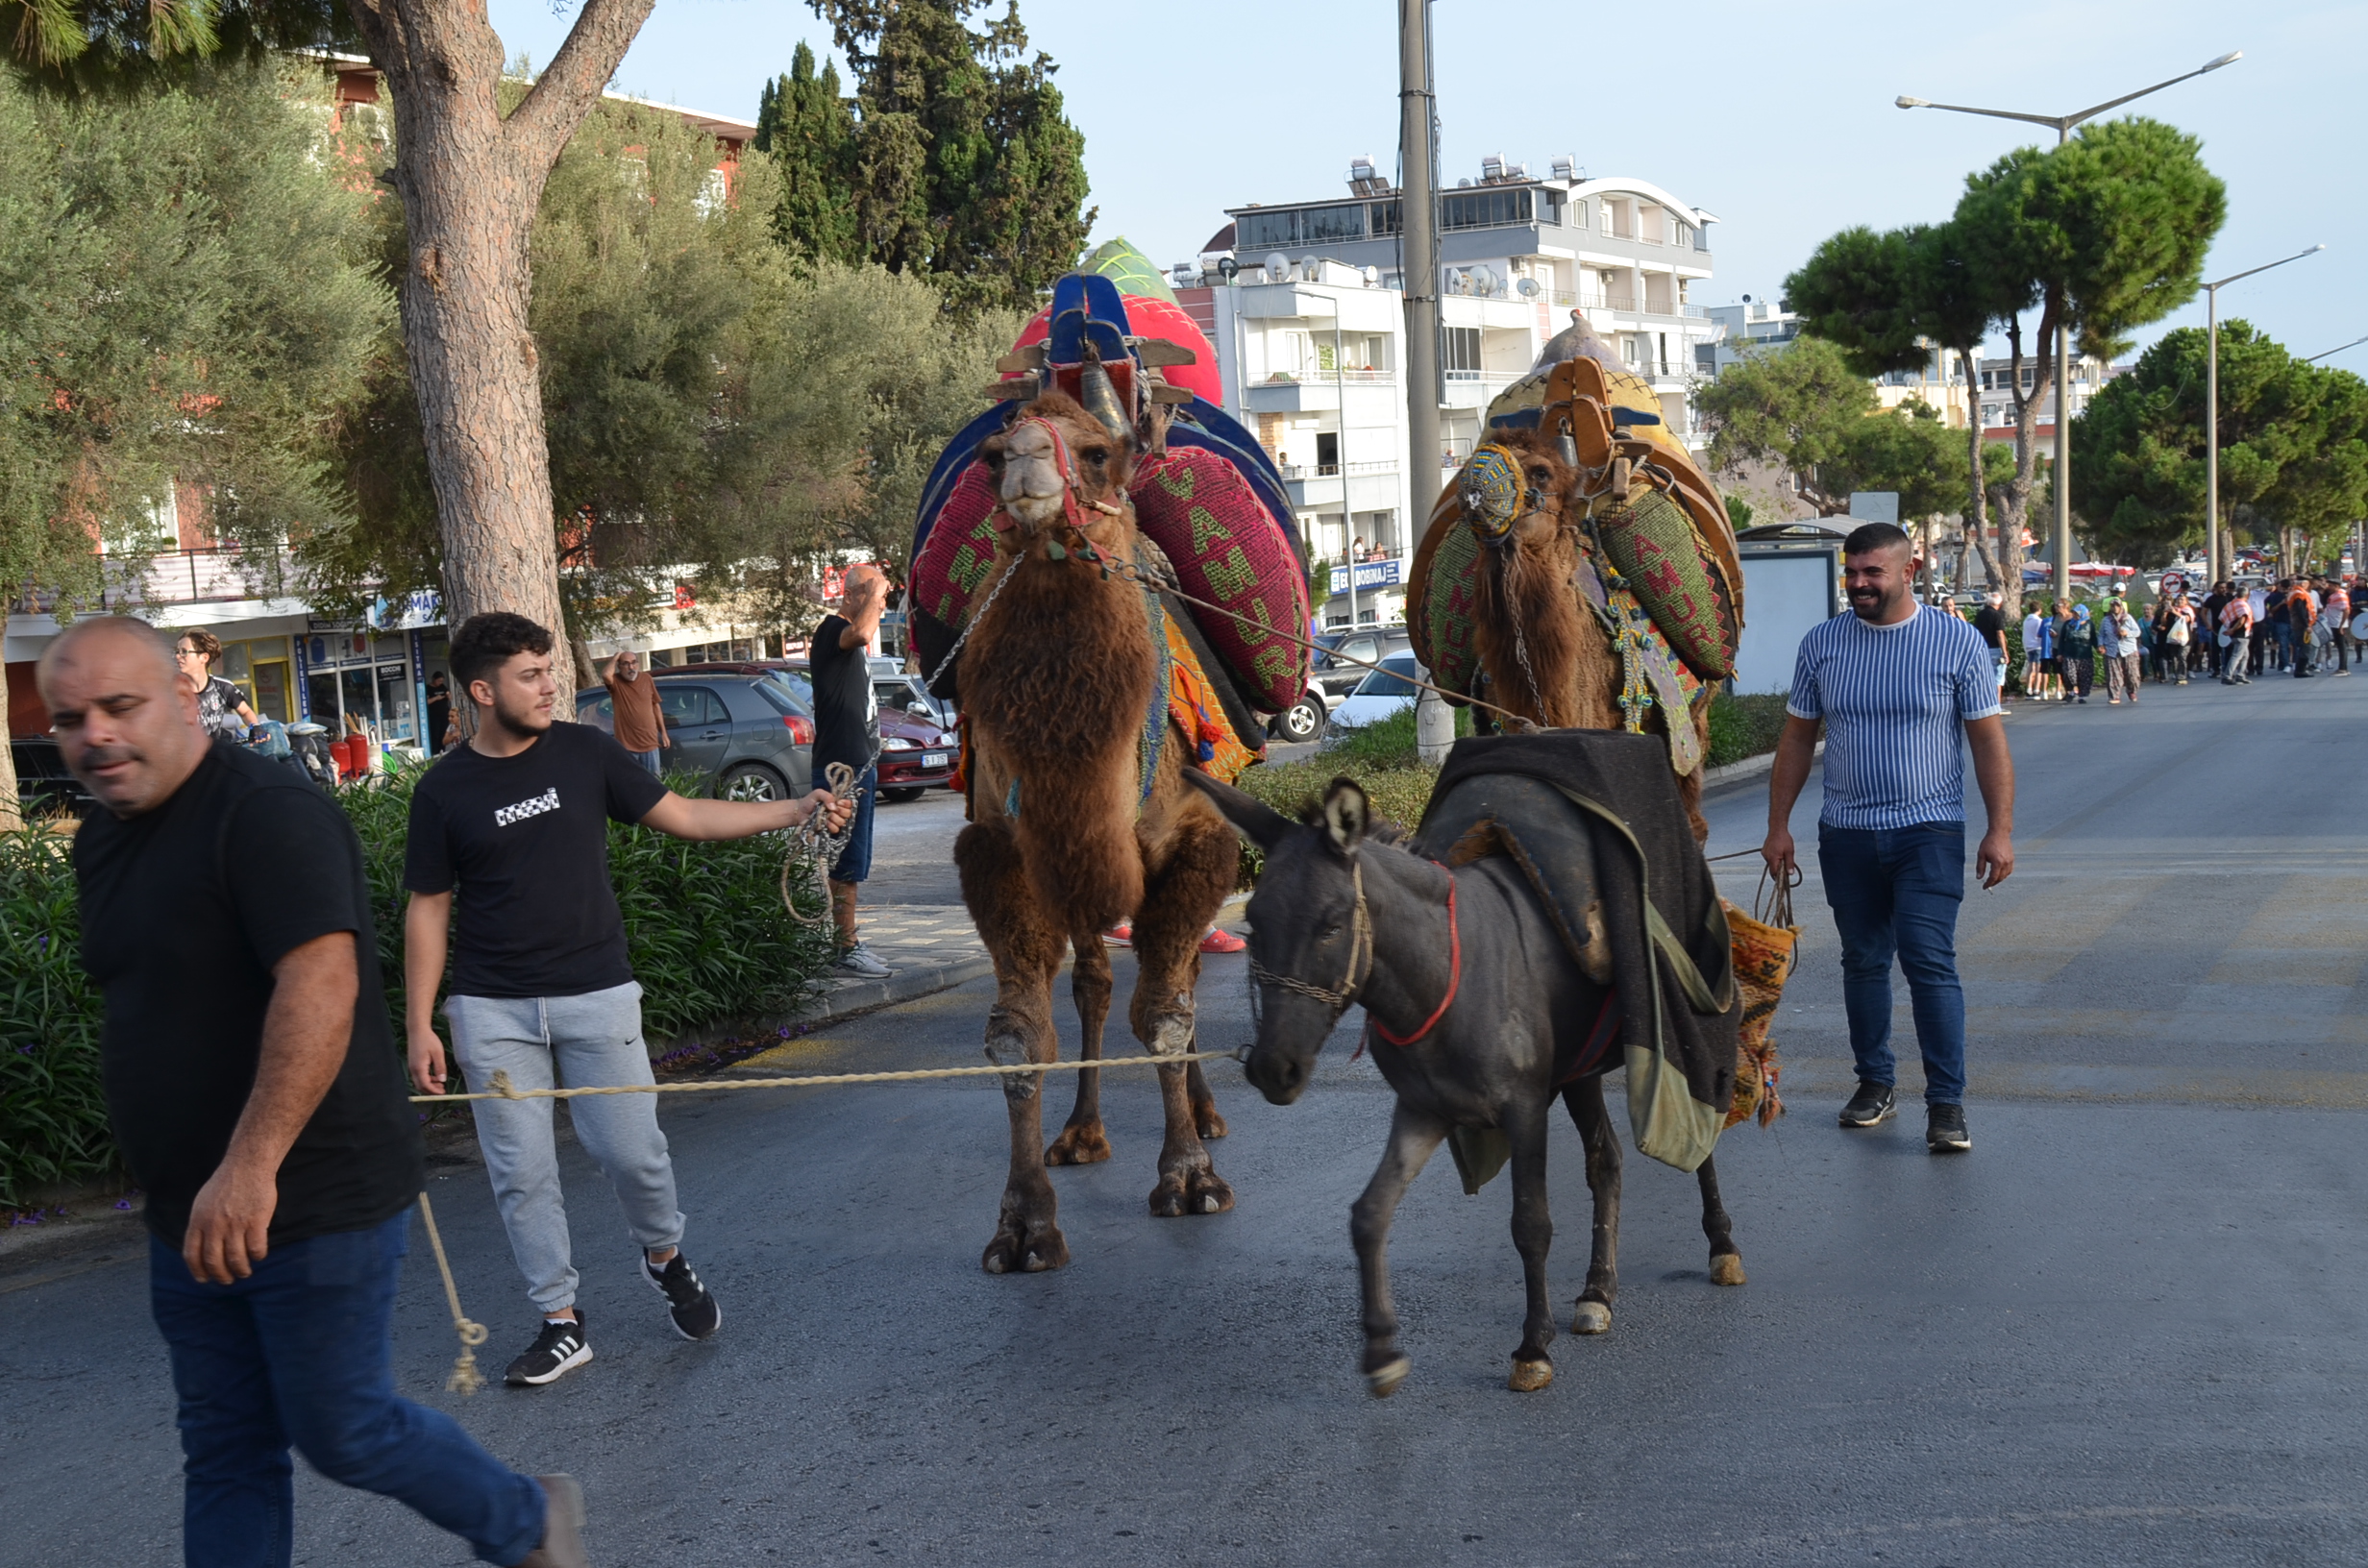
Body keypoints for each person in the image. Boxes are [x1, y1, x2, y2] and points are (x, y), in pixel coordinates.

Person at [38, 617, 590, 1568]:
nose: (94, 733)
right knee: (225, 1451)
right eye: (69, 717)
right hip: (188, 1212)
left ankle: (525, 1519)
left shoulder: (263, 813)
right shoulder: (104, 837)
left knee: (344, 1430)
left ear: (180, 694)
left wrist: (250, 1166)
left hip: (311, 1193)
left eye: (118, 706)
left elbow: (322, 984)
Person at [403, 612, 850, 1389]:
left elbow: (685, 817)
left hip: (596, 993)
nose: (550, 687)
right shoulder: (443, 791)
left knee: (633, 1155)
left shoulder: (584, 752)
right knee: (522, 1174)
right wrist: (420, 1024)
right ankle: (561, 1322)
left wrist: (794, 809)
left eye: (550, 670)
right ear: (482, 691)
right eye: (531, 676)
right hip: (492, 1010)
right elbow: (428, 906)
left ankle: (665, 1256)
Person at [1762, 523, 2013, 1154]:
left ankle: (1946, 1105)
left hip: (1928, 831)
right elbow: (1797, 738)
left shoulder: (1957, 642)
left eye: (1872, 572)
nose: (1858, 583)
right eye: (1852, 572)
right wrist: (1777, 826)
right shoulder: (1822, 644)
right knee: (1864, 960)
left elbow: (1988, 740)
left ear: (1909, 570)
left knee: (1929, 962)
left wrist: (1999, 830)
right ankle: (1875, 1082)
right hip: (1845, 835)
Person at [811, 564, 893, 978]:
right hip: (840, 767)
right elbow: (862, 631)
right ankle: (845, 949)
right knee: (845, 862)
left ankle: (845, 945)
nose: (882, 603)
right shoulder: (832, 630)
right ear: (854, 594)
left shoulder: (853, 647)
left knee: (854, 861)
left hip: (860, 763)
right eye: (877, 595)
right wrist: (876, 587)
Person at [173, 627, 260, 741]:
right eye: (177, 651)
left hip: (216, 753)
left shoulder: (223, 687)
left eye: (184, 652)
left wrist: (255, 727)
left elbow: (245, 712)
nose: (178, 656)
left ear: (204, 657)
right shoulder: (171, 690)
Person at [601, 649, 669, 774]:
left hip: (650, 743)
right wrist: (615, 657)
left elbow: (656, 706)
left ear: (638, 664)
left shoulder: (647, 679)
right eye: (625, 664)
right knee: (631, 784)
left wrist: (663, 733)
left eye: (634, 663)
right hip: (627, 746)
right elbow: (605, 675)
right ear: (619, 667)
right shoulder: (616, 682)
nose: (631, 667)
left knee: (653, 784)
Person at [2100, 597, 2144, 705]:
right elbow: (2101, 635)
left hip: (2128, 649)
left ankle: (2132, 691)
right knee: (2113, 675)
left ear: (2121, 607)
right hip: (2112, 650)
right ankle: (2114, 695)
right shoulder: (2106, 620)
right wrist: (2100, 645)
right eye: (2113, 606)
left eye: (2117, 606)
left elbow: (2137, 632)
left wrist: (2127, 633)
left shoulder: (2128, 618)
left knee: (2132, 674)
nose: (2115, 608)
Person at [1971, 592, 2010, 705]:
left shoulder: (1980, 614)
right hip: (1995, 649)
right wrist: (2004, 652)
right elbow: (2000, 634)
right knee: (1998, 678)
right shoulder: (1996, 615)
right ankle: (1996, 705)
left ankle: (1985, 704)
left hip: (1982, 649)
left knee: (1985, 678)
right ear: (2000, 604)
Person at [2059, 603, 2097, 703]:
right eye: (2074, 613)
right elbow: (2062, 639)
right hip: (2070, 653)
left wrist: (2099, 648)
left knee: (2085, 676)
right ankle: (2071, 691)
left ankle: (2082, 696)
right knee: (2068, 674)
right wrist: (2060, 653)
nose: (2075, 615)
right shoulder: (2068, 624)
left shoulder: (2089, 624)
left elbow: (2093, 638)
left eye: (2077, 614)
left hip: (2085, 654)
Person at [2218, 592, 2255, 685]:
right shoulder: (2242, 605)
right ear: (2247, 595)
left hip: (2235, 634)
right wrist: (2232, 629)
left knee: (2245, 655)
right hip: (2241, 634)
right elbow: (2242, 620)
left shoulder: (2231, 604)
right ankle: (2227, 676)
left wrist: (2230, 630)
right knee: (2237, 656)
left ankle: (2240, 676)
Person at [2323, 576, 2353, 674]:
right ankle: (2342, 667)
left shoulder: (2341, 595)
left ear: (2336, 586)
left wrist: (2341, 626)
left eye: (2330, 586)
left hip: (2338, 624)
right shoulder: (2334, 595)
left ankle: (2343, 668)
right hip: (2333, 623)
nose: (2328, 587)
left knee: (2341, 646)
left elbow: (2346, 610)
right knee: (2340, 645)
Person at [2020, 604, 2047, 698]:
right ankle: (2036, 690)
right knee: (2038, 668)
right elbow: (2040, 634)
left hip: (2028, 646)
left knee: (2030, 667)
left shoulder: (2026, 621)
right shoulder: (2039, 621)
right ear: (2039, 610)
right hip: (2037, 646)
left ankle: (2029, 689)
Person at [425, 671, 454, 756]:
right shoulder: (428, 688)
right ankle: (435, 752)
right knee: (435, 734)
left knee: (443, 733)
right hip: (434, 715)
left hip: (444, 714)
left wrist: (448, 696)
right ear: (434, 679)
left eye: (442, 681)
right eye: (439, 681)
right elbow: (425, 702)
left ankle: (442, 751)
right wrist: (436, 698)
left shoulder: (442, 687)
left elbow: (450, 697)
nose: (440, 683)